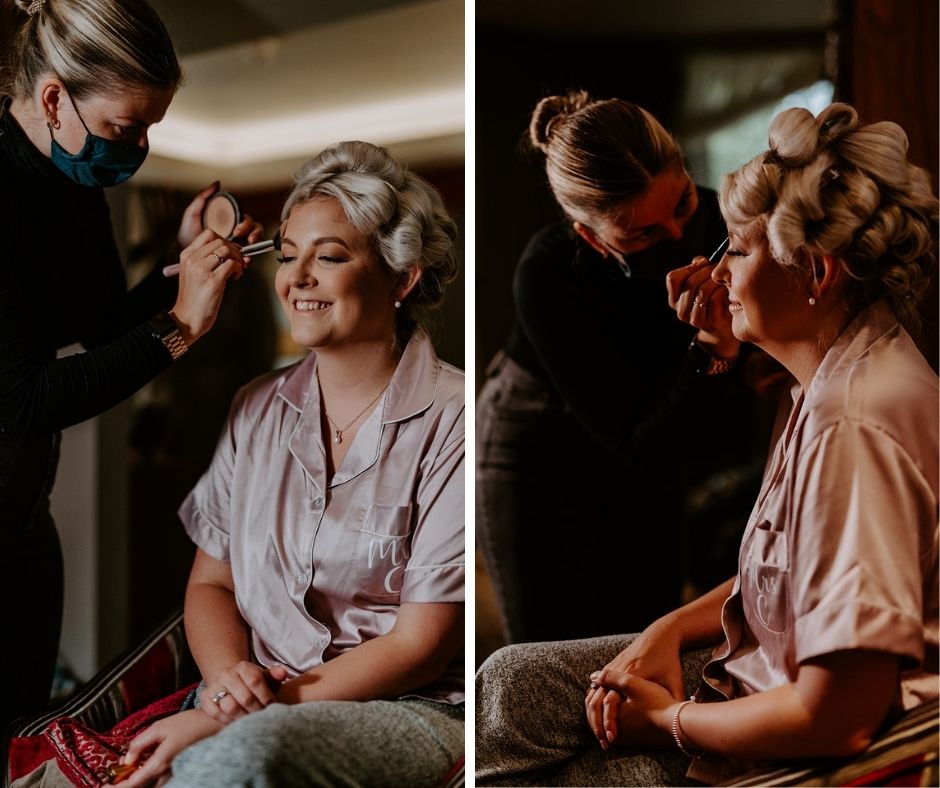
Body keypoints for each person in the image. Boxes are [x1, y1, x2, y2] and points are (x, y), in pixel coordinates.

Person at [476, 101, 939, 786]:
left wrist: (665, 722)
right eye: (644, 234)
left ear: (815, 274)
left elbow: (839, 714)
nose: (711, 268)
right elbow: (786, 558)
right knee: (514, 680)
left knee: (566, 755)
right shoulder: (823, 380)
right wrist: (667, 629)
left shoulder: (852, 426)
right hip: (551, 455)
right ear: (594, 237)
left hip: (810, 730)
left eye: (738, 250)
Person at [109, 141, 466, 787]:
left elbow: (419, 647)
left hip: (406, 705)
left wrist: (233, 717)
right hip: (247, 693)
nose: (297, 277)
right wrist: (227, 687)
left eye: (328, 256)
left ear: (401, 277)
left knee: (236, 760)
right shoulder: (255, 408)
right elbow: (210, 585)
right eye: (287, 254)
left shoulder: (457, 419)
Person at [0, 0, 261, 729]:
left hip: (24, 522)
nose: (138, 147)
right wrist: (180, 328)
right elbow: (20, 397)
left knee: (21, 740)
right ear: (54, 98)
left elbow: (100, 324)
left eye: (150, 129)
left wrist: (178, 269)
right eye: (126, 127)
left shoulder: (74, 183)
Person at [476, 90, 771, 644]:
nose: (679, 238)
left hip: (656, 420)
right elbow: (641, 442)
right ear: (591, 235)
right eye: (642, 233)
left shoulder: (719, 219)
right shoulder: (548, 272)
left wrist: (751, 358)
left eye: (681, 204)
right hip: (541, 446)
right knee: (556, 651)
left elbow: (679, 438)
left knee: (645, 629)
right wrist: (712, 344)